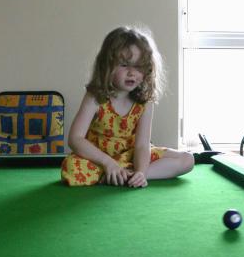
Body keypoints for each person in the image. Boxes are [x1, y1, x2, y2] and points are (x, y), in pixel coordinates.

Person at [61, 26, 194, 187]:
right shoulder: (95, 97)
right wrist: (108, 163)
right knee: (71, 167)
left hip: (131, 157)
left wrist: (141, 171)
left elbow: (142, 145)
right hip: (100, 158)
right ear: (107, 66)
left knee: (187, 160)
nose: (132, 72)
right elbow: (75, 139)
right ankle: (117, 173)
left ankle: (129, 176)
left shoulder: (145, 101)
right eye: (124, 65)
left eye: (139, 66)